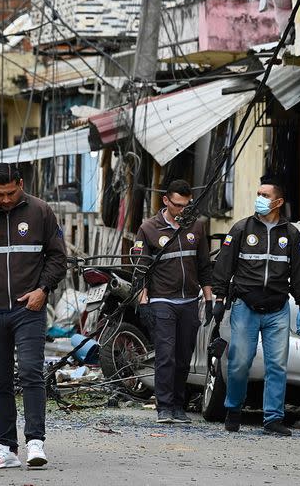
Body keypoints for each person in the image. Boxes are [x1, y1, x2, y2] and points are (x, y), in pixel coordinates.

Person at [0, 162, 66, 470]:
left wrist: (43, 289)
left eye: (11, 192)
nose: (5, 199)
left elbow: (58, 256)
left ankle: (35, 442)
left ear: (20, 184)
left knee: (31, 371)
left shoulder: (41, 211)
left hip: (27, 309)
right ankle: (6, 447)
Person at [210, 174, 300, 436]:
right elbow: (223, 266)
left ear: (278, 202)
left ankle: (273, 418)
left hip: (277, 309)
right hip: (245, 306)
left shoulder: (291, 234)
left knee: (277, 365)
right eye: (258, 194)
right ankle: (233, 410)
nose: (259, 199)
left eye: (265, 196)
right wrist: (218, 299)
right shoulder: (242, 229)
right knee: (239, 362)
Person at [132, 180, 212, 424]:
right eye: (177, 205)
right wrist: (143, 302)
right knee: (166, 354)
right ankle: (164, 406)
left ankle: (179, 405)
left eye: (186, 205)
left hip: (189, 301)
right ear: (166, 201)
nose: (181, 210)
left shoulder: (196, 227)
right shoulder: (148, 229)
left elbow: (204, 267)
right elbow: (139, 271)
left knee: (183, 356)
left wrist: (209, 300)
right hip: (161, 300)